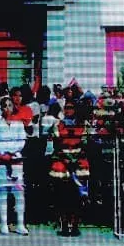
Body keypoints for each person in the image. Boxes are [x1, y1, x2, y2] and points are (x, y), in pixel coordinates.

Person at [0, 97, 29, 235]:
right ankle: (4, 224)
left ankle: (20, 224)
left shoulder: (18, 124)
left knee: (19, 193)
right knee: (2, 192)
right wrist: (3, 153)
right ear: (1, 108)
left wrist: (11, 152)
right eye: (4, 105)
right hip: (0, 161)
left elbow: (21, 142)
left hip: (15, 160)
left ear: (13, 107)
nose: (7, 108)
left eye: (9, 105)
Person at [48, 98, 89, 237]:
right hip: (62, 163)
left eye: (71, 107)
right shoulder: (58, 125)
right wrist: (66, 159)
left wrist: (75, 160)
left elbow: (85, 145)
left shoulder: (83, 125)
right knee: (62, 195)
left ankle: (76, 225)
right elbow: (56, 144)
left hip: (78, 163)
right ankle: (64, 225)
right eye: (66, 107)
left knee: (78, 196)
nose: (69, 110)